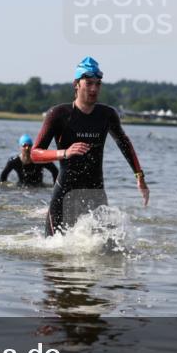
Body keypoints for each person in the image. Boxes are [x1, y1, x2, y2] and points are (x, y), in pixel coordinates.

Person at [31, 57, 149, 236]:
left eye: (98, 84)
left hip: (96, 192)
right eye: (89, 83)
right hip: (65, 192)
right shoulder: (58, 114)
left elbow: (124, 143)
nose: (94, 89)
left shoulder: (107, 114)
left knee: (104, 250)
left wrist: (139, 176)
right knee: (53, 253)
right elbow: (34, 154)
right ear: (76, 84)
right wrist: (65, 152)